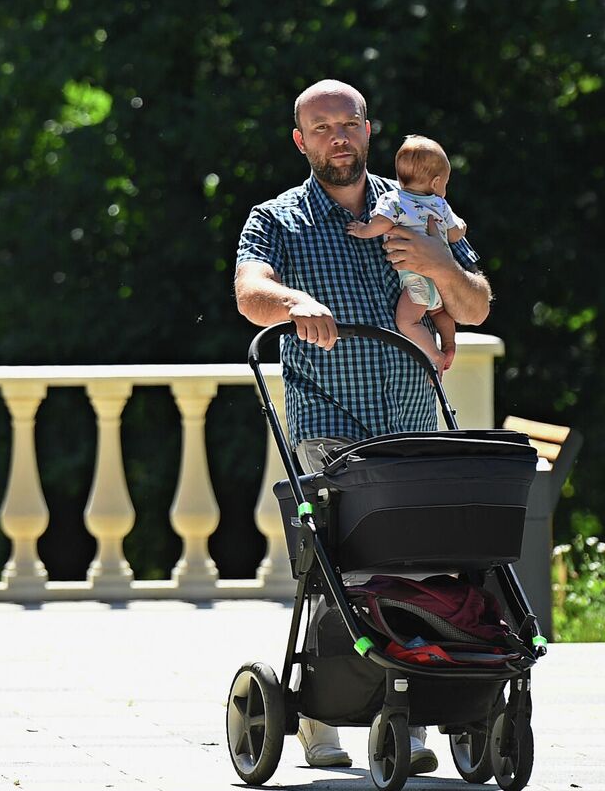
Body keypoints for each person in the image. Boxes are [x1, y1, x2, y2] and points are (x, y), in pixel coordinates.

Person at [234, 79, 492, 772]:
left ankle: (414, 712)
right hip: (329, 421)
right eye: (321, 129)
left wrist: (438, 263)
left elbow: (475, 305)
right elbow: (249, 291)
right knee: (339, 563)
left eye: (347, 124)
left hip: (412, 421)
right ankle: (322, 711)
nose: (337, 138)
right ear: (301, 141)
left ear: (368, 129)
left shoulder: (414, 206)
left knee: (422, 560)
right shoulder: (278, 219)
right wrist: (293, 302)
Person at [345, 134, 467, 370]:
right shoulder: (440, 204)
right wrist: (461, 226)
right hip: (440, 279)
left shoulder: (394, 199)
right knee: (440, 311)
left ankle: (434, 354)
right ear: (435, 182)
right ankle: (448, 344)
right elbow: (454, 234)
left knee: (407, 321)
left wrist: (363, 230)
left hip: (416, 280)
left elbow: (381, 224)